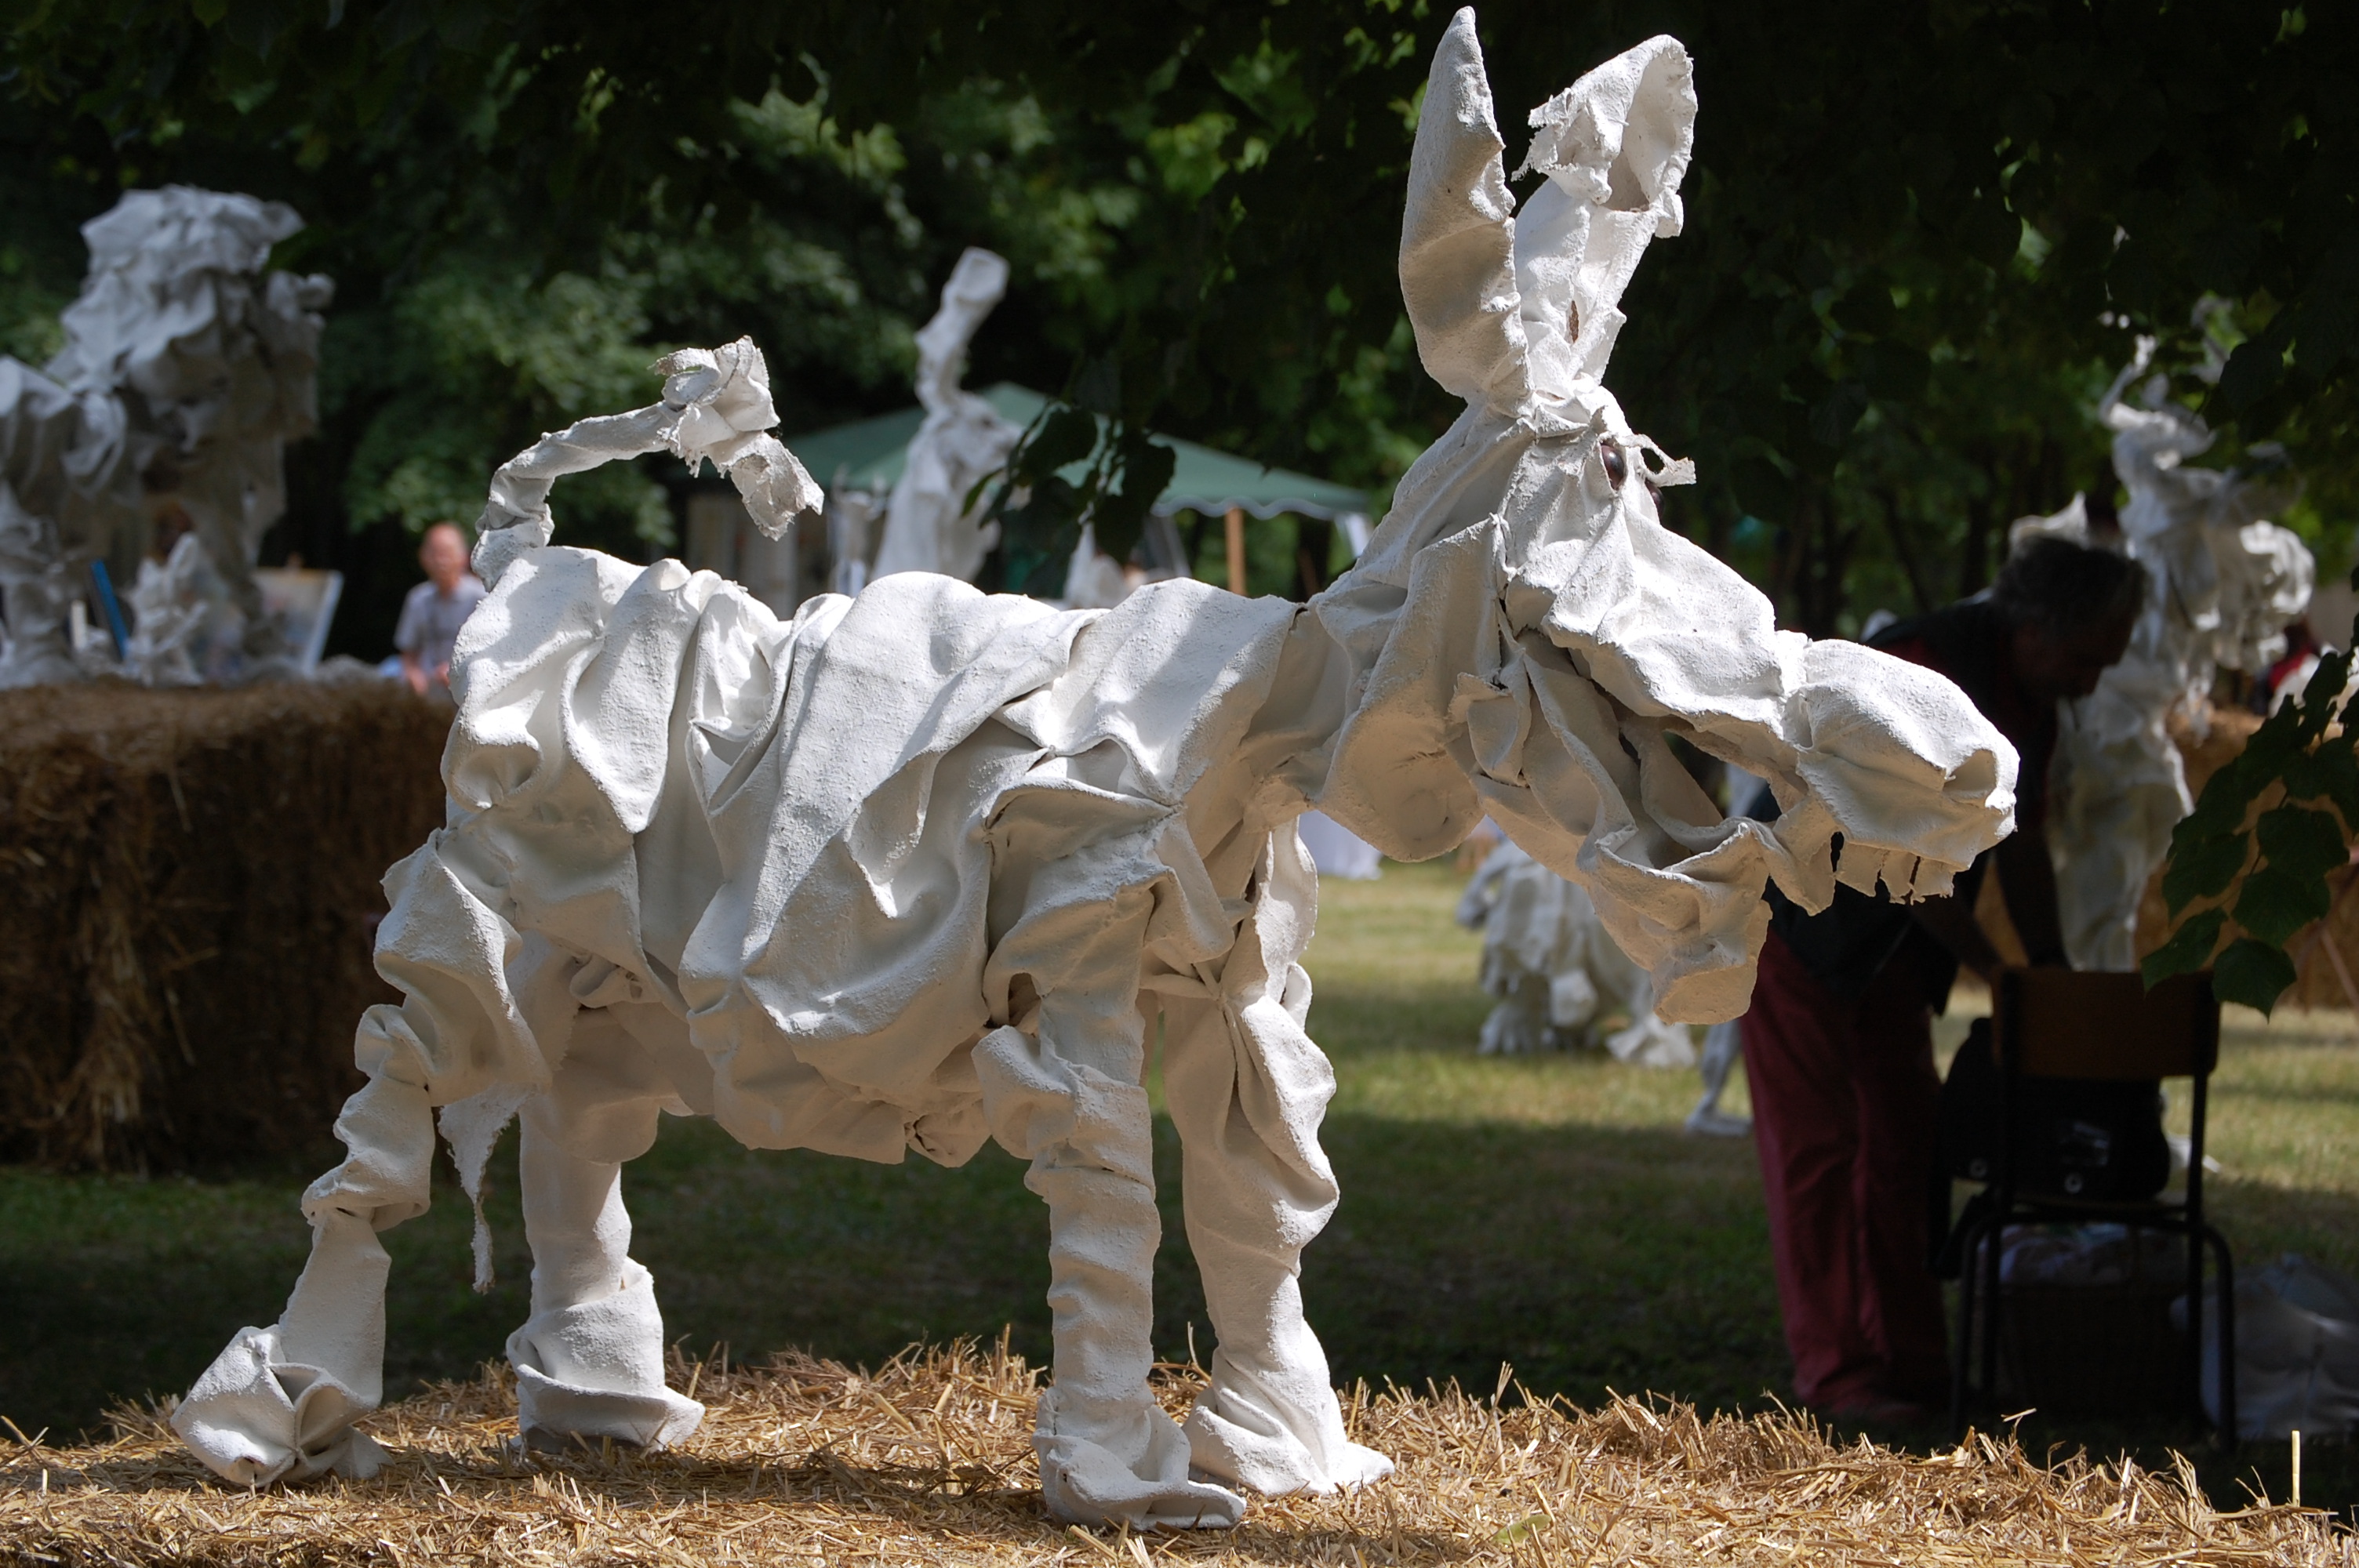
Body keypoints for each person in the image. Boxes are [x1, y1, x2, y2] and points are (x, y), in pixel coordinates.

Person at [1738, 535, 2145, 1423]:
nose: (2090, 685)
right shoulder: (1924, 668)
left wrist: (2048, 967)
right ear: (2033, 629)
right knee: (1817, 1151)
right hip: (1793, 922)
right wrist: (1997, 971)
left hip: (1886, 951)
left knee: (1905, 1145)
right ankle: (1835, 1373)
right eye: (2084, 661)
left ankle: (1916, 1364)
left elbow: (2021, 840)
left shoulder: (2034, 702)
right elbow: (1901, 856)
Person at [394, 521, 485, 697]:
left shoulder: (481, 598)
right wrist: (413, 674)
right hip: (425, 687)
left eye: (447, 553)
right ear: (423, 557)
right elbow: (408, 652)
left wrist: (457, 672)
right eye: (434, 553)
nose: (440, 561)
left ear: (464, 557)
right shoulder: (417, 598)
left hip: (469, 687)